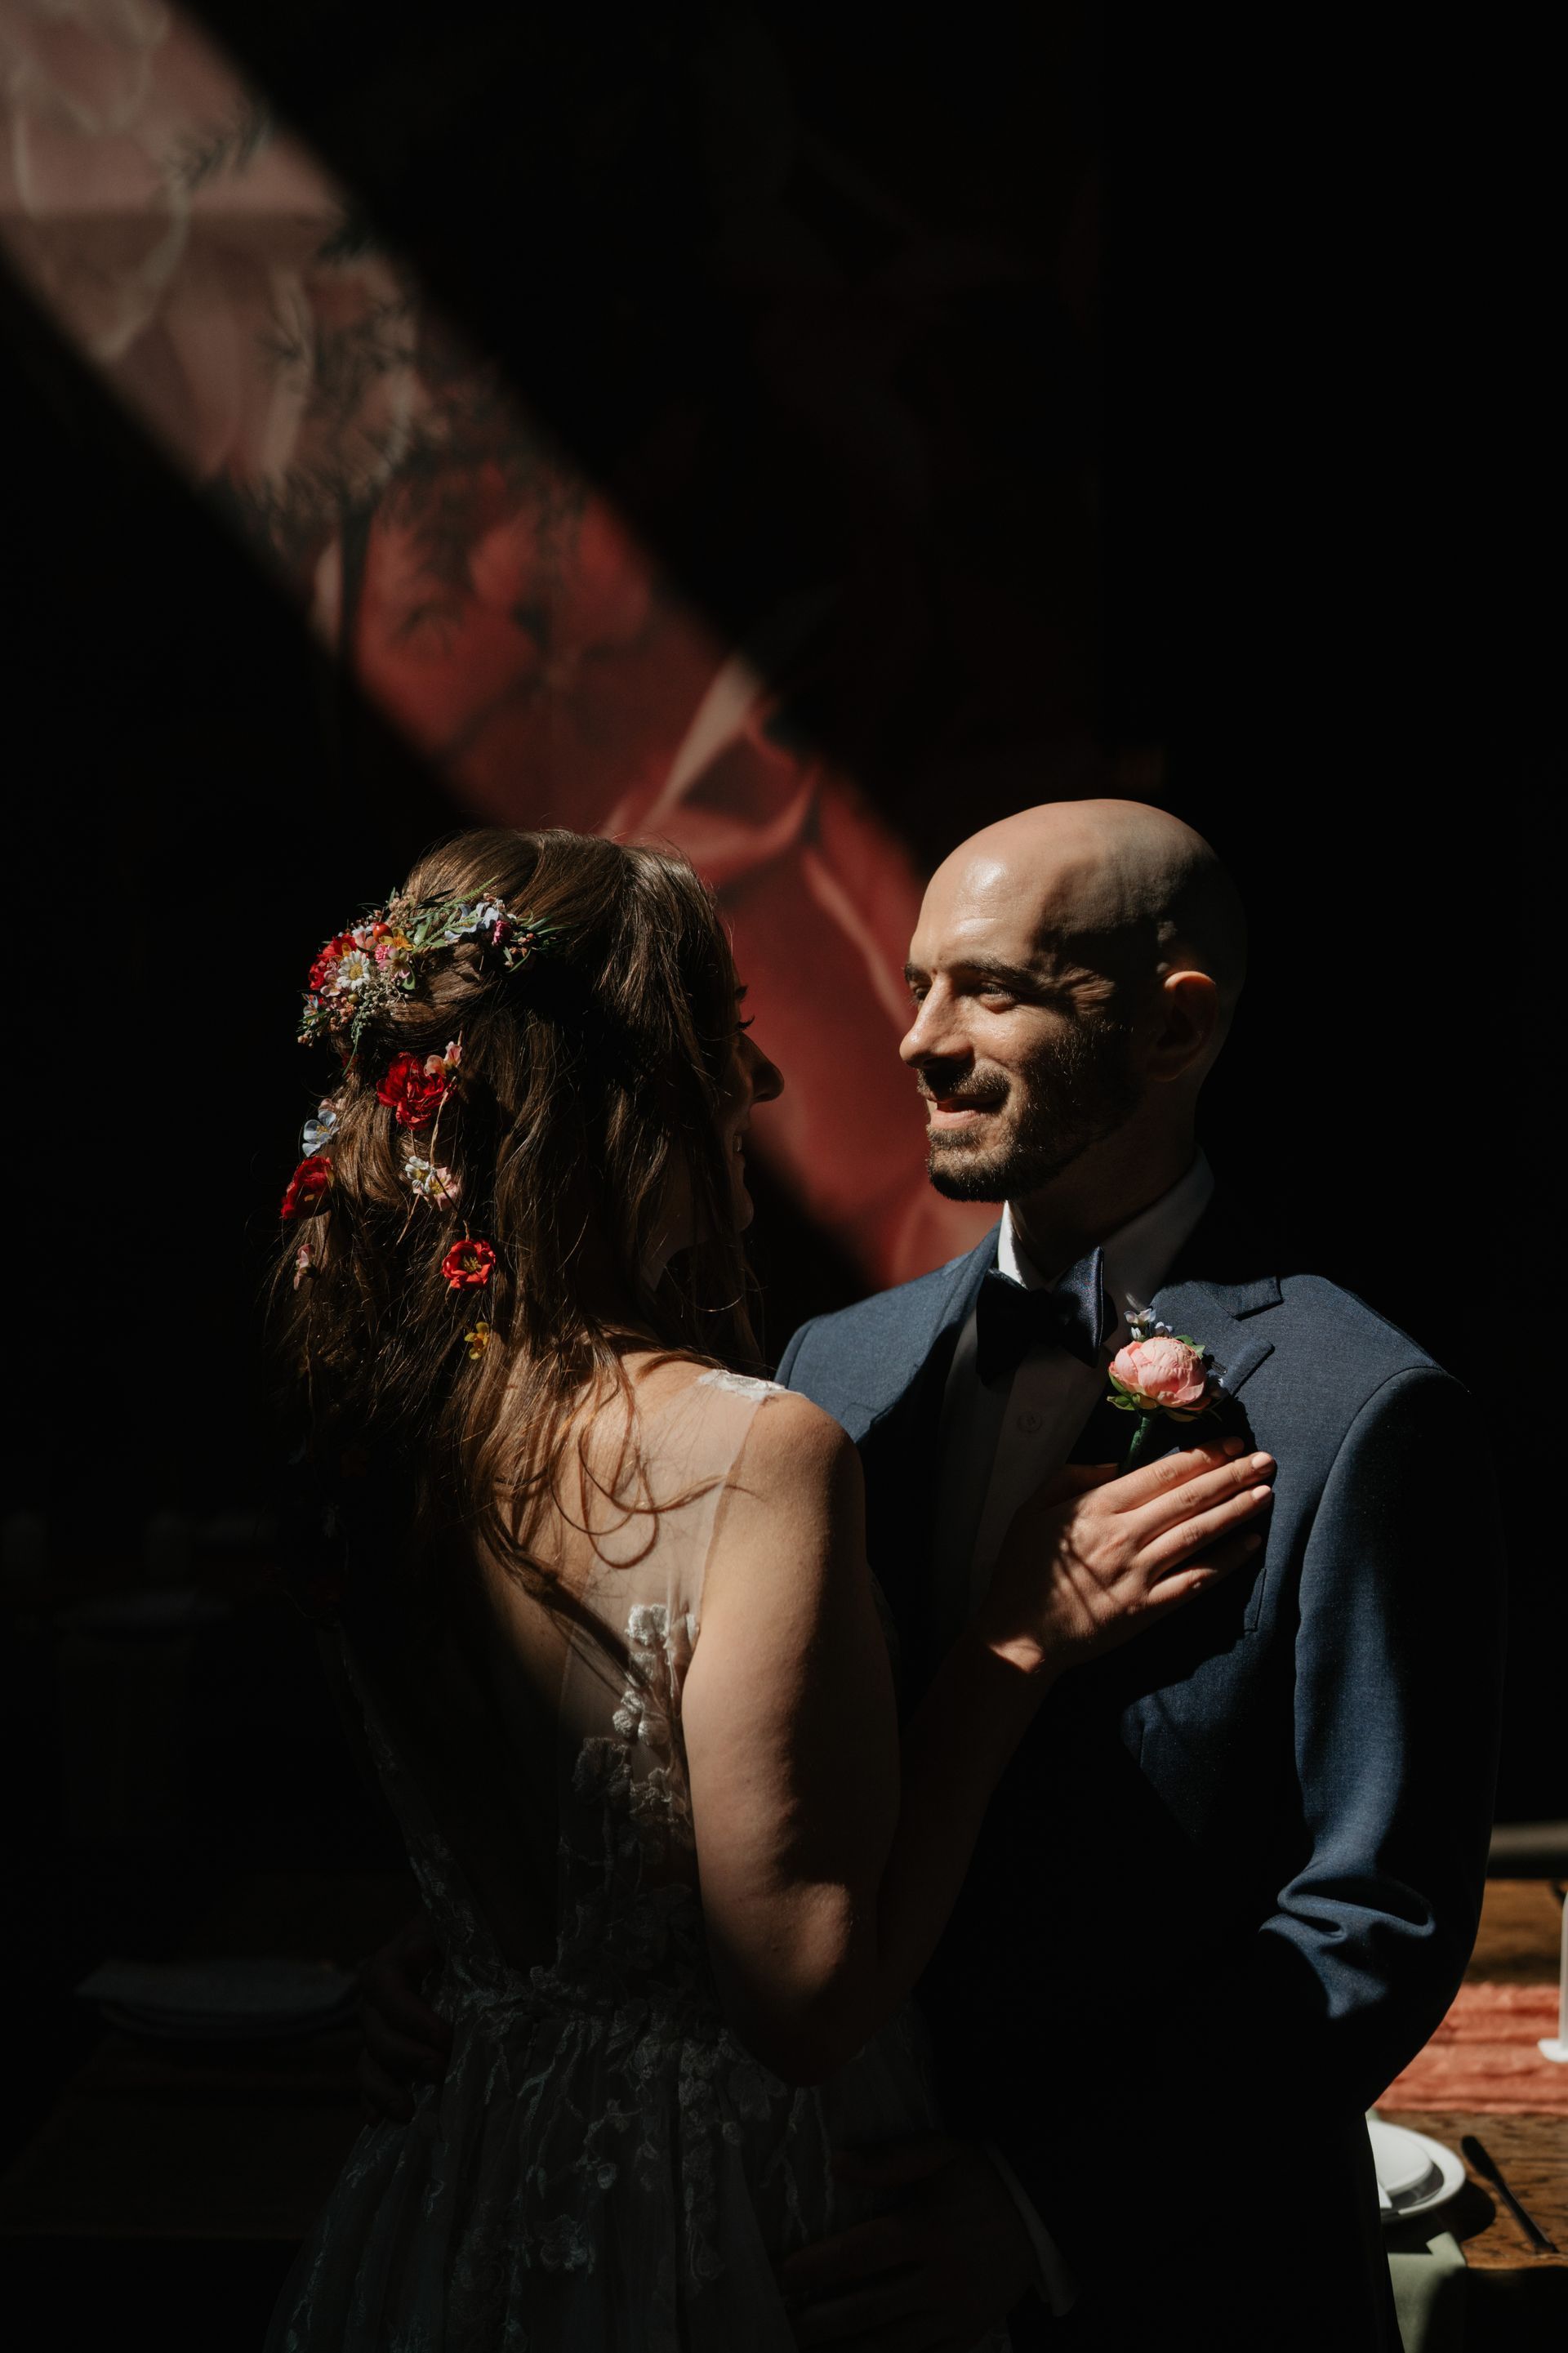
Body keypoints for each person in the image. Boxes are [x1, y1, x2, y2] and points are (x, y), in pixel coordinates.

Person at [266, 825, 1269, 2353]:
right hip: (719, 2218)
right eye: (720, 1042)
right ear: (620, 1102)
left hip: (460, 2182)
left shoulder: (389, 1430)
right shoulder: (763, 1439)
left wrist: (469, 1963)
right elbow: (802, 1999)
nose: (767, 1089)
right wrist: (1011, 1645)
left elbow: (532, 1829)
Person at [766, 800, 1507, 2351]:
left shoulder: (1358, 1410)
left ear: (1176, 1028)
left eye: (992, 987)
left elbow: (1375, 1911)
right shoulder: (831, 1372)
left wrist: (1047, 2208)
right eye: (916, 983)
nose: (917, 1037)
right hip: (825, 2249)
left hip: (1191, 2284)